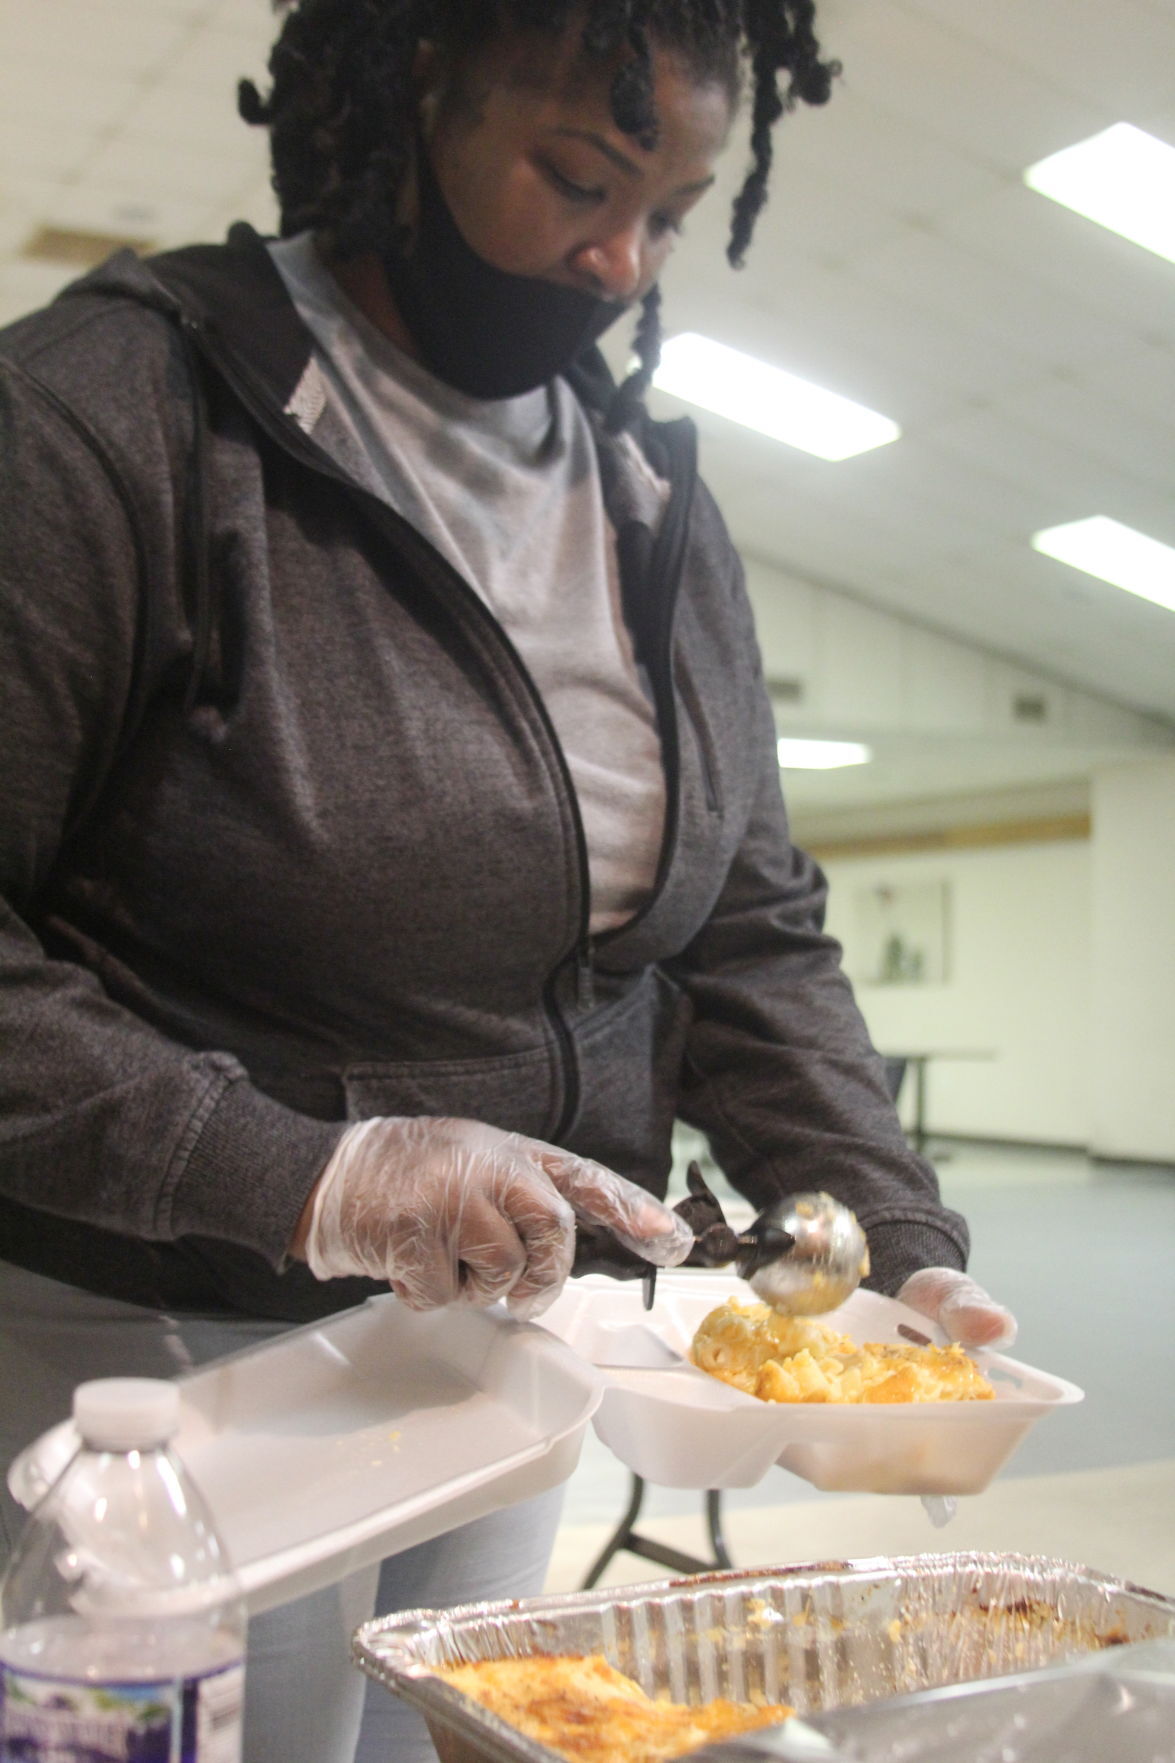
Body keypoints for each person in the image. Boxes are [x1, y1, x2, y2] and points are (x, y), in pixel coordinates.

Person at [0, 2, 1017, 1758]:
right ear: (417, 92)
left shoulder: (646, 503)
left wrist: (890, 1246)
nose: (620, 258)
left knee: (457, 1736)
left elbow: (750, 934)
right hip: (169, 1346)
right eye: (577, 175)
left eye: (674, 209)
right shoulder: (115, 417)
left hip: (507, 1346)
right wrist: (313, 1176)